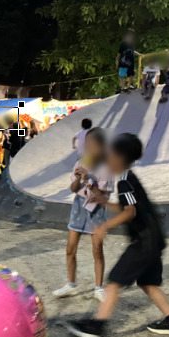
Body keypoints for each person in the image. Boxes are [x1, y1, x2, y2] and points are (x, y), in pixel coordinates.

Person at [67, 133, 169, 337]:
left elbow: (129, 212)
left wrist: (104, 226)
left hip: (144, 241)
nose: (107, 159)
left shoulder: (124, 181)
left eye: (110, 155)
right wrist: (103, 201)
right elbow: (126, 208)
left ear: (120, 158)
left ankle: (98, 327)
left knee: (114, 281)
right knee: (148, 284)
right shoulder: (127, 178)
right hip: (153, 239)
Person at [53, 129, 113, 303]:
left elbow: (102, 195)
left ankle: (98, 288)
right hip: (79, 206)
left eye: (92, 145)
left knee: (97, 250)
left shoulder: (105, 167)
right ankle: (71, 284)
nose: (88, 148)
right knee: (70, 248)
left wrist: (88, 179)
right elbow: (73, 189)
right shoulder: (81, 161)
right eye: (86, 144)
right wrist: (78, 179)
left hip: (97, 208)